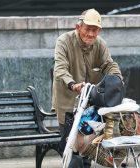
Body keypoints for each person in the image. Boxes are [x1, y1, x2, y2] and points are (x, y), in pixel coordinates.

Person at [52, 9, 123, 168]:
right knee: (73, 150)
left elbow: (109, 65)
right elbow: (60, 69)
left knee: (89, 148)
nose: (90, 34)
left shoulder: (101, 44)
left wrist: (117, 79)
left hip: (90, 108)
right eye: (87, 29)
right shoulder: (63, 41)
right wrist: (73, 84)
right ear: (78, 28)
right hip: (68, 106)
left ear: (99, 30)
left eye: (94, 30)